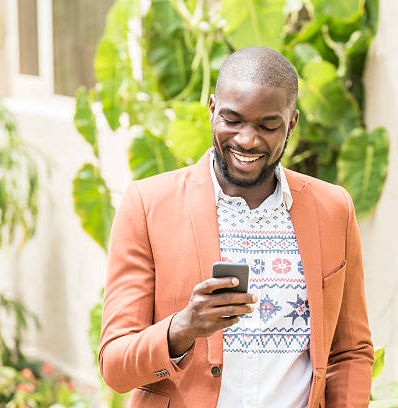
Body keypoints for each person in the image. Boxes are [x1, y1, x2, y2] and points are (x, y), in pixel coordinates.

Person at [99, 46, 374, 408]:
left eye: (267, 125)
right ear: (212, 109)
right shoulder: (148, 205)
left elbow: (349, 352)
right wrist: (183, 328)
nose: (247, 139)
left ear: (291, 123)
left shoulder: (332, 209)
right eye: (232, 120)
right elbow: (115, 366)